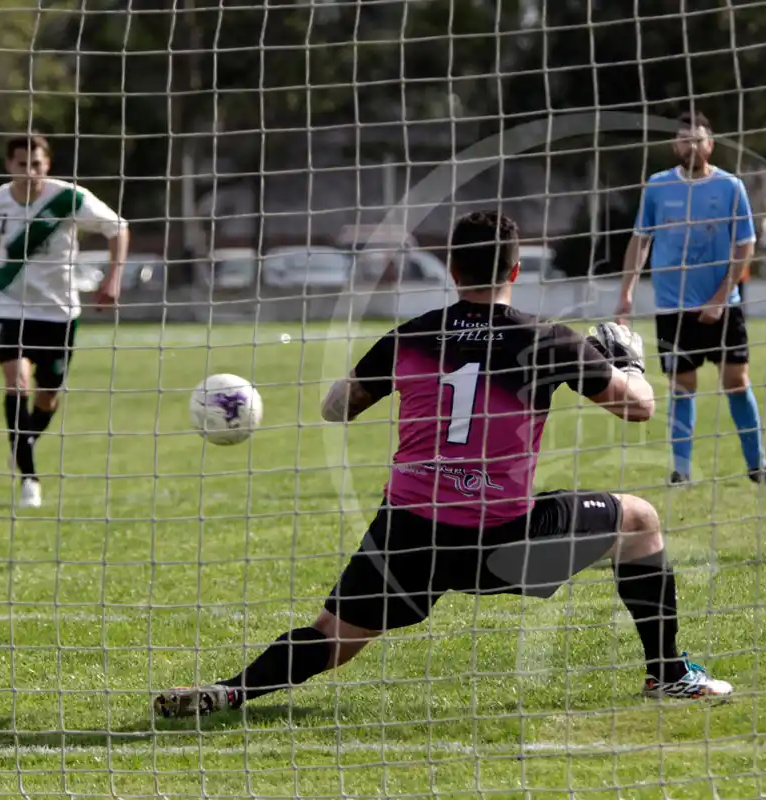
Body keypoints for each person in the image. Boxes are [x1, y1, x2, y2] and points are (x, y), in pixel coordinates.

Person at [152, 211, 733, 718]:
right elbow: (639, 410)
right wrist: (626, 361)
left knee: (332, 639)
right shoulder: (549, 339)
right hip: (504, 544)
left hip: (408, 536)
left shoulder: (410, 336)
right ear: (514, 272)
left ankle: (229, 691)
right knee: (638, 520)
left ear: (453, 271)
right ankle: (669, 674)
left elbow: (335, 409)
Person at [615, 111, 766, 488]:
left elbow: (746, 245)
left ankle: (758, 466)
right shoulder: (657, 187)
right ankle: (681, 471)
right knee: (681, 387)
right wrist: (626, 292)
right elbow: (640, 241)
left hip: (724, 307)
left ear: (711, 143)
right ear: (675, 144)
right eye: (682, 138)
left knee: (737, 382)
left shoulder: (730, 187)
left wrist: (721, 298)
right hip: (673, 309)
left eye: (697, 138)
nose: (689, 145)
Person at [0, 133, 128, 510]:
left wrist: (113, 276)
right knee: (16, 381)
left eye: (37, 164)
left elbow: (117, 227)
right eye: (22, 165)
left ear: (47, 164)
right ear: (10, 166)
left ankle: (23, 445)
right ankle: (30, 480)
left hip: (59, 312)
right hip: (12, 306)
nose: (30, 172)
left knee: (48, 398)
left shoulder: (69, 199)